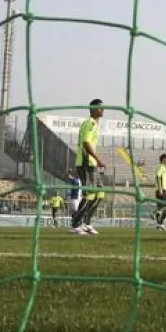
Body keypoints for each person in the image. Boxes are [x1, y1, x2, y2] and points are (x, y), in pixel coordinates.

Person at [70, 99, 107, 236]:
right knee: (89, 194)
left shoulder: (94, 125)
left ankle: (87, 222)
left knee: (100, 192)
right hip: (85, 163)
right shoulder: (90, 123)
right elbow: (85, 143)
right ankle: (75, 224)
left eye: (103, 108)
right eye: (100, 108)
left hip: (91, 164)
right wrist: (97, 159)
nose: (102, 110)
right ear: (92, 109)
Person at [154, 152, 166, 230]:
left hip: (160, 189)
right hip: (161, 190)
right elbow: (158, 177)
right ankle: (160, 222)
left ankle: (158, 225)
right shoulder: (161, 167)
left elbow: (161, 178)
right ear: (163, 160)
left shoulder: (163, 168)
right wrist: (161, 189)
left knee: (159, 208)